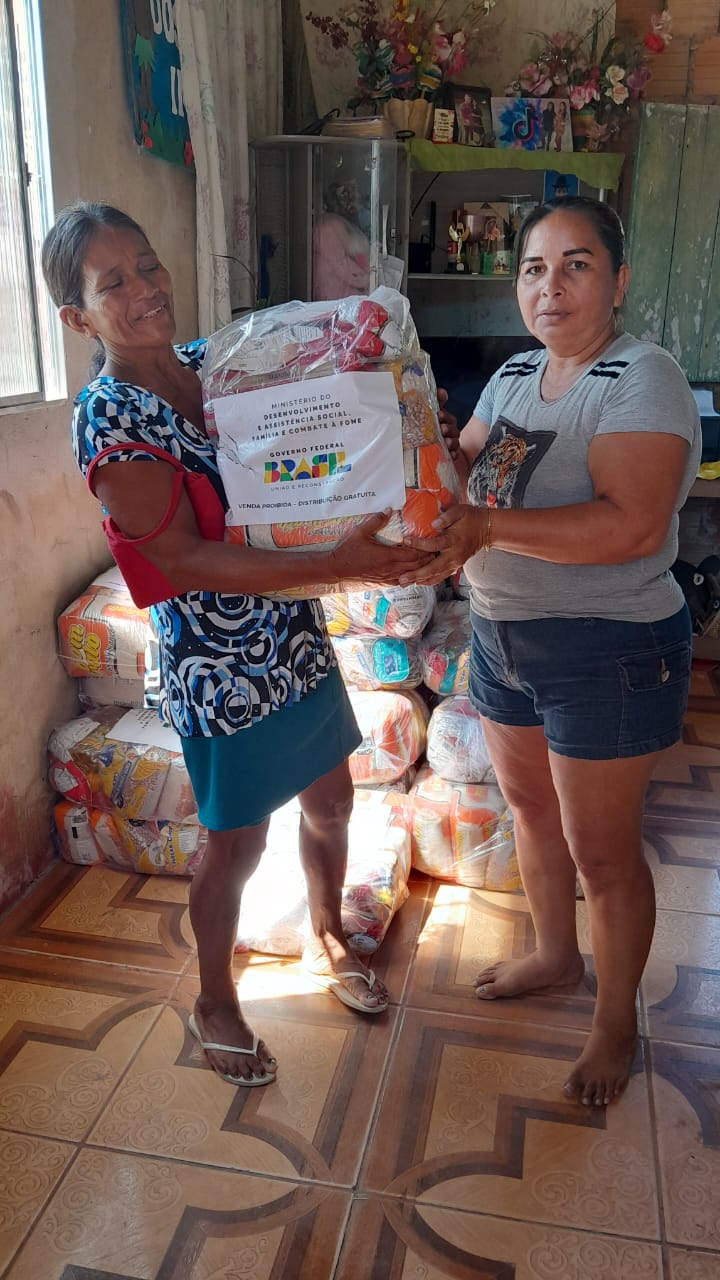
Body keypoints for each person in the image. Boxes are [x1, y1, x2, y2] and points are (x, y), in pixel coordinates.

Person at [42, 202, 436, 1088]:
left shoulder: (210, 366)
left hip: (290, 628)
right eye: (115, 283)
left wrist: (399, 413)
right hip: (217, 662)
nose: (146, 289)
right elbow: (179, 559)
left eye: (149, 265)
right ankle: (215, 998)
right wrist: (335, 563)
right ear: (78, 318)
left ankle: (327, 932)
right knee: (237, 842)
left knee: (332, 798)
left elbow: (314, 437)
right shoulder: (109, 417)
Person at [402, 196, 701, 1108]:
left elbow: (632, 524)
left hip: (608, 649)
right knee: (532, 814)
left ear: (618, 280)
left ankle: (614, 1025)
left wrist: (488, 526)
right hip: (503, 635)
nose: (552, 286)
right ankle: (554, 955)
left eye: (577, 265)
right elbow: (465, 476)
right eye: (534, 268)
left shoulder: (642, 377)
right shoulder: (514, 373)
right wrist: (417, 435)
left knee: (602, 853)